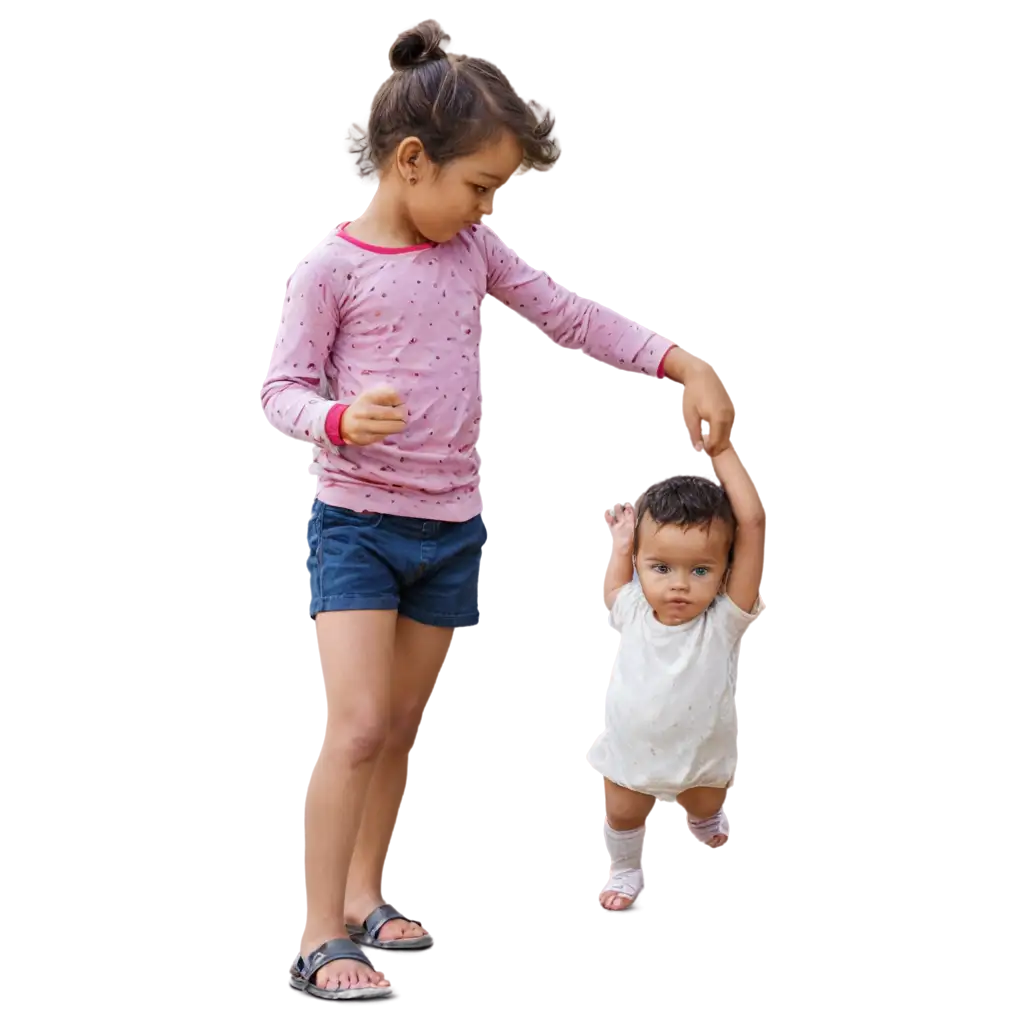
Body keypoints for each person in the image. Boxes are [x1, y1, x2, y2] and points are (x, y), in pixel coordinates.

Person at [261, 22, 735, 1003]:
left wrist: (676, 358)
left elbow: (567, 312)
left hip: (450, 527)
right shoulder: (329, 269)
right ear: (409, 162)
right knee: (351, 727)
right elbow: (279, 391)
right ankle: (313, 934)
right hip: (356, 524)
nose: (485, 206)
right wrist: (341, 419)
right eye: (478, 185)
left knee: (396, 724)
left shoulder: (471, 250)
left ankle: (365, 891)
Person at [585, 433, 764, 914]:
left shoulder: (724, 619)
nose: (679, 585)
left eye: (700, 570)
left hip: (702, 751)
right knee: (622, 814)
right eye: (661, 567)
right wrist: (620, 543)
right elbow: (618, 573)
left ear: (725, 571)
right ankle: (624, 872)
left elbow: (751, 522)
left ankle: (707, 826)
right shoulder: (629, 608)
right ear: (640, 565)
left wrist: (723, 449)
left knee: (704, 804)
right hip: (630, 749)